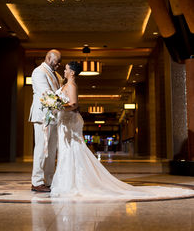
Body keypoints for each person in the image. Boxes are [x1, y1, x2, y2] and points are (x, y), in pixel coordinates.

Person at [50, 61, 194, 200]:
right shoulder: (66, 84)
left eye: (66, 69)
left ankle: (73, 183)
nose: (64, 71)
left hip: (69, 122)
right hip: (64, 122)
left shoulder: (72, 85)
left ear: (72, 72)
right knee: (65, 150)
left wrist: (58, 107)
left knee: (72, 149)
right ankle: (68, 181)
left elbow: (74, 104)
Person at [29, 49, 62, 192]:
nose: (59, 64)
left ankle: (49, 180)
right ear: (49, 58)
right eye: (57, 61)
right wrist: (64, 103)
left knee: (52, 150)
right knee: (42, 149)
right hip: (43, 116)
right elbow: (46, 94)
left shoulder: (57, 74)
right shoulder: (39, 72)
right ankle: (36, 181)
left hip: (54, 116)